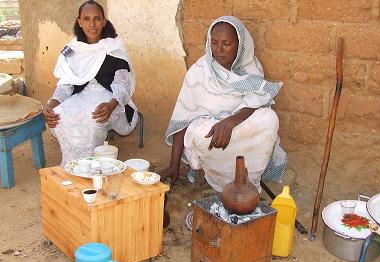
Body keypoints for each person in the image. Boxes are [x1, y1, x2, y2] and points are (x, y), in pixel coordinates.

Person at [161, 16, 287, 193]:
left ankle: (245, 182)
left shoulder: (251, 68)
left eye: (226, 44)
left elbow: (258, 102)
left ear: (240, 45)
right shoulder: (199, 71)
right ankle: (222, 182)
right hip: (212, 136)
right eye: (214, 43)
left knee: (269, 118)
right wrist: (174, 165)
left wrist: (229, 122)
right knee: (198, 135)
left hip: (237, 130)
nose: (219, 50)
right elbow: (182, 118)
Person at [43, 0, 138, 165]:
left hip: (108, 98)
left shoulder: (113, 48)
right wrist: (51, 107)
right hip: (80, 96)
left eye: (97, 18)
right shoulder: (73, 49)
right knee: (61, 116)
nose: (92, 24)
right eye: (86, 19)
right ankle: (71, 167)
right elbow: (65, 86)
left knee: (92, 120)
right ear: (79, 21)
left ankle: (92, 167)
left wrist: (111, 105)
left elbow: (122, 85)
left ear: (104, 21)